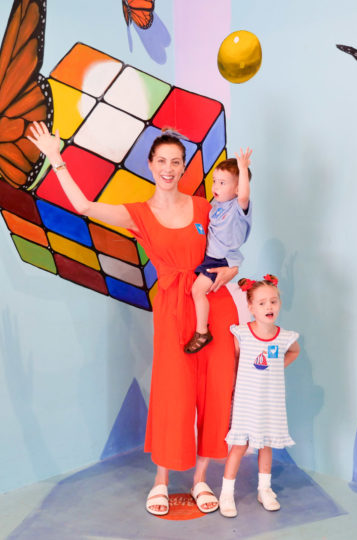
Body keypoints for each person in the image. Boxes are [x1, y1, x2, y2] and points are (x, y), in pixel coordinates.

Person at [27, 122, 239, 516]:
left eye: (176, 161)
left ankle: (201, 478)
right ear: (150, 165)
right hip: (173, 307)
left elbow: (230, 246)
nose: (169, 168)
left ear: (184, 165)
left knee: (215, 388)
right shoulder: (139, 214)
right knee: (173, 389)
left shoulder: (205, 207)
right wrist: (56, 157)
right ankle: (161, 480)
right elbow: (84, 207)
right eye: (162, 161)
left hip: (214, 302)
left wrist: (230, 272)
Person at [218, 274, 300, 518]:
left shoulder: (285, 337)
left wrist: (276, 367)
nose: (269, 307)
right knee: (239, 445)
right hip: (246, 402)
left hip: (270, 403)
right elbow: (232, 361)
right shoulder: (242, 333)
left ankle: (264, 489)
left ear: (279, 305)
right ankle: (226, 492)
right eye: (262, 303)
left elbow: (293, 352)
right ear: (251, 307)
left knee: (266, 444)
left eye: (273, 301)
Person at [185, 151, 253, 354]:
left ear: (237, 187)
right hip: (209, 257)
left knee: (197, 291)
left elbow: (244, 195)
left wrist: (242, 169)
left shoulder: (237, 207)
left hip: (219, 259)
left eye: (223, 183)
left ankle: (202, 332)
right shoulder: (216, 205)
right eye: (215, 181)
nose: (215, 186)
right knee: (197, 292)